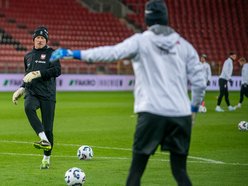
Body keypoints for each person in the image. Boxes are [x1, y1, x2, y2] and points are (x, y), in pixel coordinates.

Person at [50, 0, 206, 185]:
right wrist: (194, 108)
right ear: (166, 18)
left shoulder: (140, 41)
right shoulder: (185, 46)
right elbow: (199, 81)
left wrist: (74, 53)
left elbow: (111, 53)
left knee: (136, 173)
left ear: (147, 19)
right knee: (180, 171)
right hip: (181, 115)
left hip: (152, 112)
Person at [12, 26, 61, 169]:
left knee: (49, 129)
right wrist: (21, 88)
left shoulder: (53, 53)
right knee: (28, 107)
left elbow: (57, 71)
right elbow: (27, 75)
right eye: (38, 38)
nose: (40, 40)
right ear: (33, 39)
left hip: (48, 95)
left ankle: (46, 158)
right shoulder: (27, 56)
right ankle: (43, 139)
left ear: (46, 40)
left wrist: (38, 73)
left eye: (43, 38)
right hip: (32, 92)